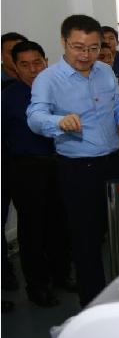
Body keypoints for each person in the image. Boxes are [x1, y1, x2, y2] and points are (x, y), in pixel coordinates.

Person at [27, 14, 119, 307]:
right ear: (64, 42)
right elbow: (35, 116)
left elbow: (117, 104)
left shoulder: (104, 71)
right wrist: (58, 122)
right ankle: (94, 305)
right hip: (79, 169)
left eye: (93, 48)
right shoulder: (49, 79)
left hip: (115, 162)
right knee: (86, 239)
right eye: (78, 47)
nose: (86, 55)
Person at [2, 40, 74, 307]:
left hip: (60, 162)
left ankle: (61, 275)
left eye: (37, 63)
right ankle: (37, 286)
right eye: (25, 65)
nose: (33, 70)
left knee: (60, 224)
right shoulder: (8, 97)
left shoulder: (58, 90)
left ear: (46, 62)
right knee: (33, 230)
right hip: (25, 169)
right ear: (15, 67)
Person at [1, 32, 27, 304]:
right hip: (5, 161)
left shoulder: (37, 87)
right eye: (11, 52)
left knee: (32, 221)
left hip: (25, 165)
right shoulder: (6, 92)